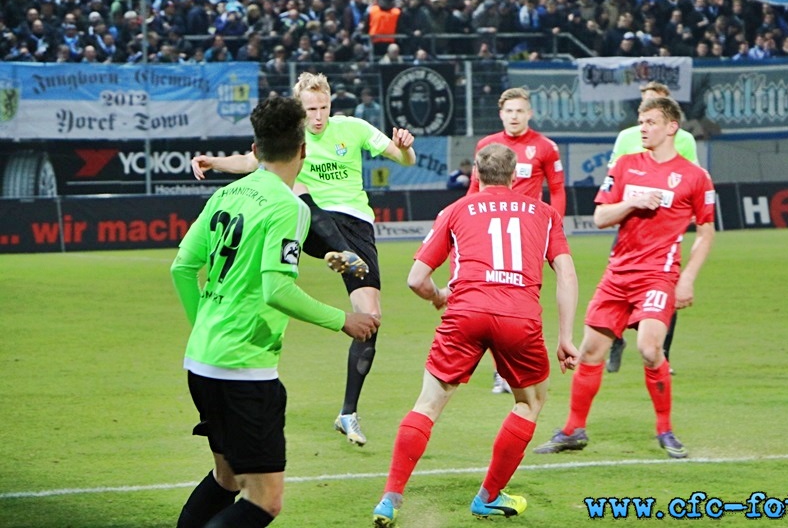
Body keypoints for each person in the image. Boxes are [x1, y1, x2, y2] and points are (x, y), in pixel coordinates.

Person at [171, 96, 380, 528]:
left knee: (227, 478)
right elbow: (277, 289)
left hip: (202, 360)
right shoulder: (290, 207)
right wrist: (344, 319)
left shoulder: (226, 194)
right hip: (244, 370)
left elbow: (182, 267)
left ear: (255, 147)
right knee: (264, 501)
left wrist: (206, 323)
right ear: (303, 150)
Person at [191, 73, 417, 447]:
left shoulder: (354, 127)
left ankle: (347, 414)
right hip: (310, 220)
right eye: (310, 109)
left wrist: (404, 146)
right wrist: (213, 162)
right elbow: (252, 161)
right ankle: (335, 250)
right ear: (300, 108)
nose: (317, 116)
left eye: (323, 107)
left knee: (371, 319)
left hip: (356, 227)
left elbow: (404, 160)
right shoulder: (294, 140)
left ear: (331, 103)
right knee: (296, 186)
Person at [372, 143, 579, 527]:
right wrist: (565, 336)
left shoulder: (455, 210)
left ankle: (389, 499)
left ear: (476, 177)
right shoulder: (545, 213)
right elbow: (566, 273)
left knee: (428, 404)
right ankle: (488, 496)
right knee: (529, 403)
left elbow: (416, 279)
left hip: (465, 313)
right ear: (516, 176)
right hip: (519, 316)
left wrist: (438, 296)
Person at [533, 96, 715, 459]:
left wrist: (688, 278)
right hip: (618, 274)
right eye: (641, 122)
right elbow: (600, 218)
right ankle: (573, 430)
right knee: (590, 351)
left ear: (671, 127)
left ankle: (665, 431)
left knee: (650, 349)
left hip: (659, 276)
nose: (642, 128)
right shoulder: (626, 165)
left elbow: (706, 232)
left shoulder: (695, 176)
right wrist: (634, 203)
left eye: (650, 122)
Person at [466, 87, 566, 394]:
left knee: (522, 299)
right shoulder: (486, 145)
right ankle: (501, 371)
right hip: (491, 235)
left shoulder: (545, 147)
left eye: (520, 111)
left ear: (529, 113)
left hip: (528, 236)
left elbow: (558, 190)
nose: (514, 116)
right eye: (509, 111)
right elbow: (474, 188)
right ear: (501, 114)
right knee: (491, 297)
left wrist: (552, 227)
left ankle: (513, 367)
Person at [606, 81, 699, 375]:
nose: (645, 119)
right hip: (631, 230)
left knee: (665, 295)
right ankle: (615, 342)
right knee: (617, 290)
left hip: (665, 235)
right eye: (643, 105)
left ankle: (663, 354)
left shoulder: (684, 140)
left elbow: (690, 178)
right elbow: (613, 175)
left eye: (653, 105)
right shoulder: (626, 138)